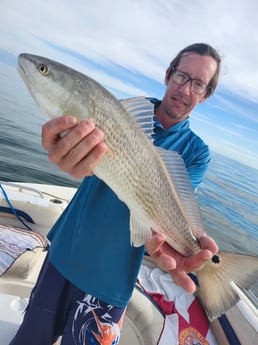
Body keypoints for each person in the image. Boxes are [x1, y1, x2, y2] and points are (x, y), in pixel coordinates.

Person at [10, 43, 220, 345]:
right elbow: (82, 165)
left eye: (198, 83)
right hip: (62, 255)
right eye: (181, 76)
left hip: (111, 282)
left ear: (206, 94)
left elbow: (164, 214)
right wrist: (69, 159)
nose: (185, 89)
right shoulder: (117, 110)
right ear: (168, 74)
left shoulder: (196, 153)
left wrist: (171, 244)